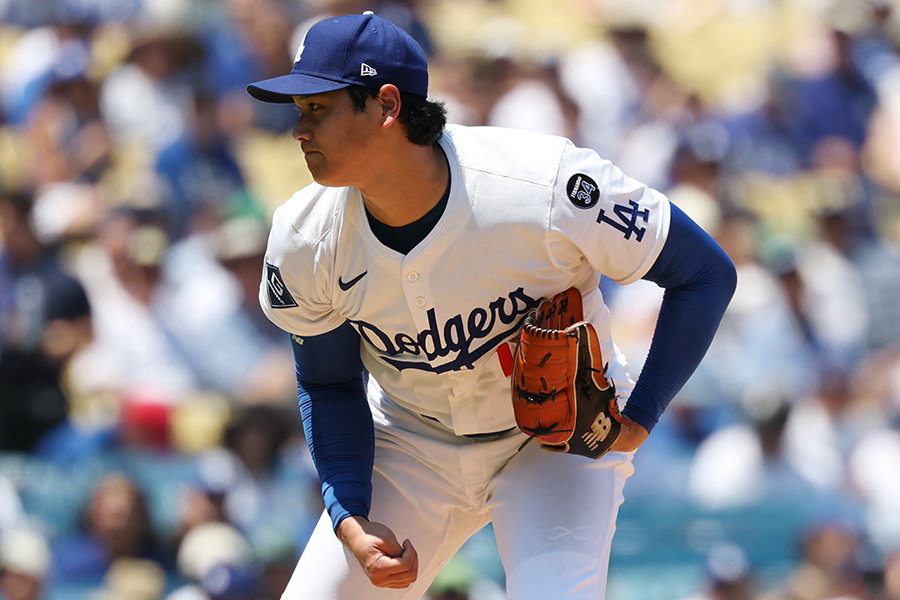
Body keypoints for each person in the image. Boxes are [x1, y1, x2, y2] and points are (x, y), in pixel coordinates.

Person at [245, 11, 736, 599]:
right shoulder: (305, 238)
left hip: (552, 443)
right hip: (411, 441)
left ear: (386, 105)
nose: (299, 130)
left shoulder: (544, 186)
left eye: (317, 108)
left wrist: (641, 414)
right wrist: (348, 511)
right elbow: (328, 384)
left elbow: (704, 272)